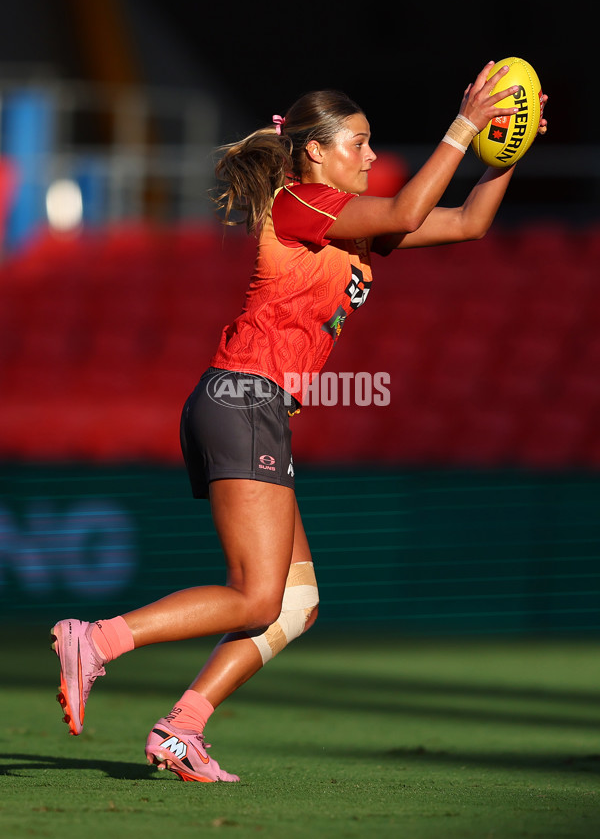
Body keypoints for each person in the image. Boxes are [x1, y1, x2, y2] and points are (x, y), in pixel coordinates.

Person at [51, 61, 548, 783]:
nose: (372, 156)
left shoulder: (349, 229)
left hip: (254, 409)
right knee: (257, 594)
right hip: (242, 400)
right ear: (315, 150)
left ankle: (183, 727)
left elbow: (469, 222)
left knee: (296, 603)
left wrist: (509, 151)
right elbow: (409, 210)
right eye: (359, 142)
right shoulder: (300, 202)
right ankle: (95, 640)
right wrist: (465, 126)